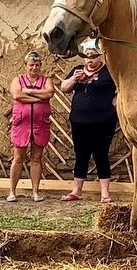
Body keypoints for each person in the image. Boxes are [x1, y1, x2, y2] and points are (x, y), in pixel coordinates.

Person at [58, 40, 118, 203]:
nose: (89, 60)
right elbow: (64, 88)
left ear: (100, 56)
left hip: (103, 120)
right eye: (86, 56)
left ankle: (104, 193)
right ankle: (77, 191)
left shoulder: (109, 71)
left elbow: (123, 86)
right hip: (79, 121)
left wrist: (116, 100)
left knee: (101, 154)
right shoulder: (77, 70)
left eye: (93, 56)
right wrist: (75, 80)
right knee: (81, 154)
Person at [8, 51, 54, 202]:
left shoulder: (46, 80)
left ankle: (35, 192)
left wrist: (29, 92)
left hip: (40, 124)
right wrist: (37, 98)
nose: (34, 68)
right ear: (25, 66)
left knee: (36, 158)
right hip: (22, 124)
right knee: (18, 158)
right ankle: (12, 192)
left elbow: (49, 93)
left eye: (37, 65)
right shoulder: (18, 80)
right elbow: (17, 95)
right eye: (31, 65)